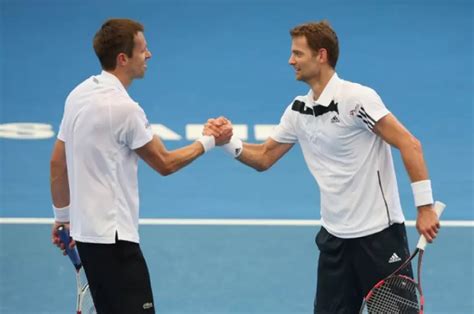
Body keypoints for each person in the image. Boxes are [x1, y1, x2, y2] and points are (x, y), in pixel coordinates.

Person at [204, 20, 441, 313]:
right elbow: (265, 157)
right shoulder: (298, 110)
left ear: (321, 55)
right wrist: (228, 143)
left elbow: (410, 144)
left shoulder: (356, 99)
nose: (291, 61)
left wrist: (424, 207)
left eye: (298, 54)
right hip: (334, 241)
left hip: (378, 238)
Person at [49, 18, 231, 314]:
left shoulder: (78, 94)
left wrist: (62, 218)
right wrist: (209, 140)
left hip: (86, 237)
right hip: (115, 242)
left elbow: (57, 162)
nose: (149, 54)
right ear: (123, 59)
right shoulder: (126, 110)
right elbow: (165, 163)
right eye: (143, 49)